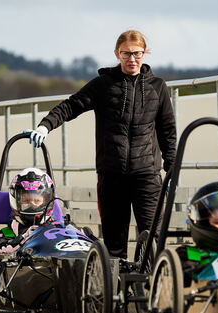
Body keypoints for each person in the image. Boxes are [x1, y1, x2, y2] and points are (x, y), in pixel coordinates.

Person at [24, 30, 177, 258]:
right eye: (126, 54)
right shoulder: (104, 84)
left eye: (137, 53)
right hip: (112, 175)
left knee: (153, 239)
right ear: (117, 53)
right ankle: (115, 291)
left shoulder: (158, 87)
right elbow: (71, 106)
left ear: (145, 54)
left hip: (147, 176)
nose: (132, 59)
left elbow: (167, 129)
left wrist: (172, 163)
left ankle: (148, 289)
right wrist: (45, 126)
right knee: (115, 244)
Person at [0, 167, 56, 253]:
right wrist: (25, 237)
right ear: (16, 202)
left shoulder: (57, 227)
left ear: (47, 200)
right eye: (26, 201)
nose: (32, 205)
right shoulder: (5, 234)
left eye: (37, 201)